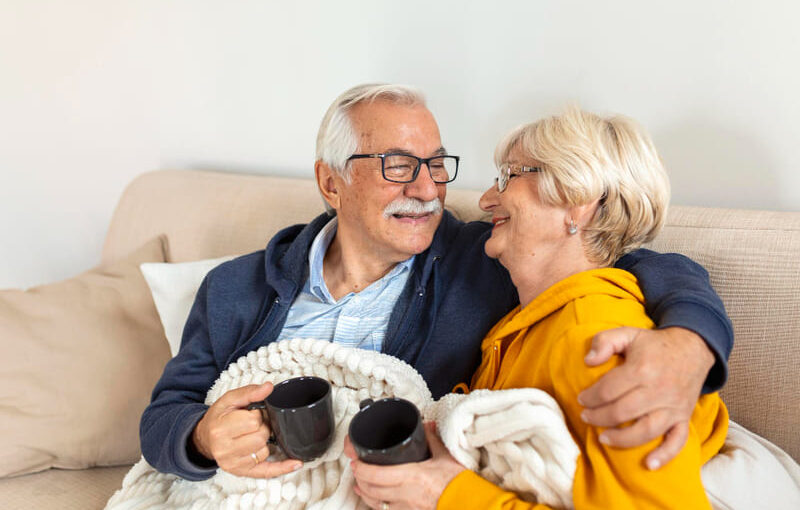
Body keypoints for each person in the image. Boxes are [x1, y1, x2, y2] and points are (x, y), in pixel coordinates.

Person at [140, 84, 732, 483]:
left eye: (436, 165)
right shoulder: (233, 288)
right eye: (398, 165)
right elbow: (165, 411)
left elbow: (628, 259)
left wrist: (690, 343)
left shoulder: (484, 258)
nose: (426, 189)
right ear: (331, 182)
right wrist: (200, 435)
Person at [346, 107, 728, 510]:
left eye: (509, 176)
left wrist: (449, 495)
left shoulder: (598, 342)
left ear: (577, 200)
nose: (486, 198)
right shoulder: (527, 322)